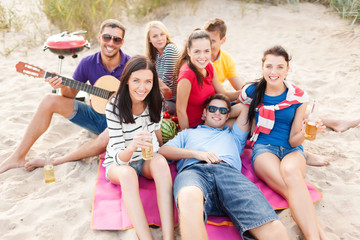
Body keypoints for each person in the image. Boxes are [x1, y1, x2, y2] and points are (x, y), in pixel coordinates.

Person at [0, 19, 131, 174]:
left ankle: (60, 160)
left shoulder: (131, 64)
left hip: (120, 122)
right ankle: (17, 157)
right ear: (99, 37)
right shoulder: (87, 63)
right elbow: (70, 94)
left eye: (116, 39)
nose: (111, 43)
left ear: (121, 42)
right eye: (107, 37)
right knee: (49, 100)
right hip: (96, 116)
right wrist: (62, 86)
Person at [159, 93, 290, 240]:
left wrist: (221, 118)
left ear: (228, 116)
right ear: (204, 112)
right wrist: (197, 154)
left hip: (228, 173)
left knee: (267, 221)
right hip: (194, 171)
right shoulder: (188, 133)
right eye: (213, 109)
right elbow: (164, 151)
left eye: (223, 111)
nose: (217, 112)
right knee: (188, 196)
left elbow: (245, 108)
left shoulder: (234, 135)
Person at [240, 45, 327, 239]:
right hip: (264, 149)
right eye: (269, 66)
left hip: (292, 149)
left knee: (291, 174)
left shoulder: (297, 96)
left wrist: (305, 132)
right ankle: (317, 235)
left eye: (280, 67)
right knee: (293, 191)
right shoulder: (252, 92)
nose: (274, 72)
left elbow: (294, 137)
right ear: (262, 67)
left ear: (287, 69)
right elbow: (238, 112)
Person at [104, 55, 174, 240]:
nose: (142, 87)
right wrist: (133, 145)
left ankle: (169, 236)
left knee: (160, 163)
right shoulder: (114, 106)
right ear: (127, 80)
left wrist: (162, 149)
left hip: (145, 158)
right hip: (119, 163)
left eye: (148, 81)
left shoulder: (156, 99)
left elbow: (156, 131)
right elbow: (118, 157)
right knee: (128, 174)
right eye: (136, 80)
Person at [175, 29, 240, 130]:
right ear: (189, 51)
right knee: (242, 122)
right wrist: (187, 136)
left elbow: (223, 94)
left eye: (206, 51)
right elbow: (180, 110)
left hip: (213, 114)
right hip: (198, 125)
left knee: (246, 109)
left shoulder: (209, 66)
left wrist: (246, 91)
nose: (202, 57)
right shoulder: (186, 76)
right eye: (197, 51)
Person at [145, 20, 180, 115]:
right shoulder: (155, 55)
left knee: (146, 108)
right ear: (149, 39)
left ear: (166, 35)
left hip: (175, 101)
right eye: (155, 36)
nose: (160, 38)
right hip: (163, 98)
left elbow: (167, 86)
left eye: (162, 34)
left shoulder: (170, 49)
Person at [204, 18, 243, 90]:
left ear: (223, 40)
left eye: (213, 41)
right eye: (206, 39)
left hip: (219, 94)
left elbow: (239, 87)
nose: (208, 44)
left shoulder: (226, 59)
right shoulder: (200, 59)